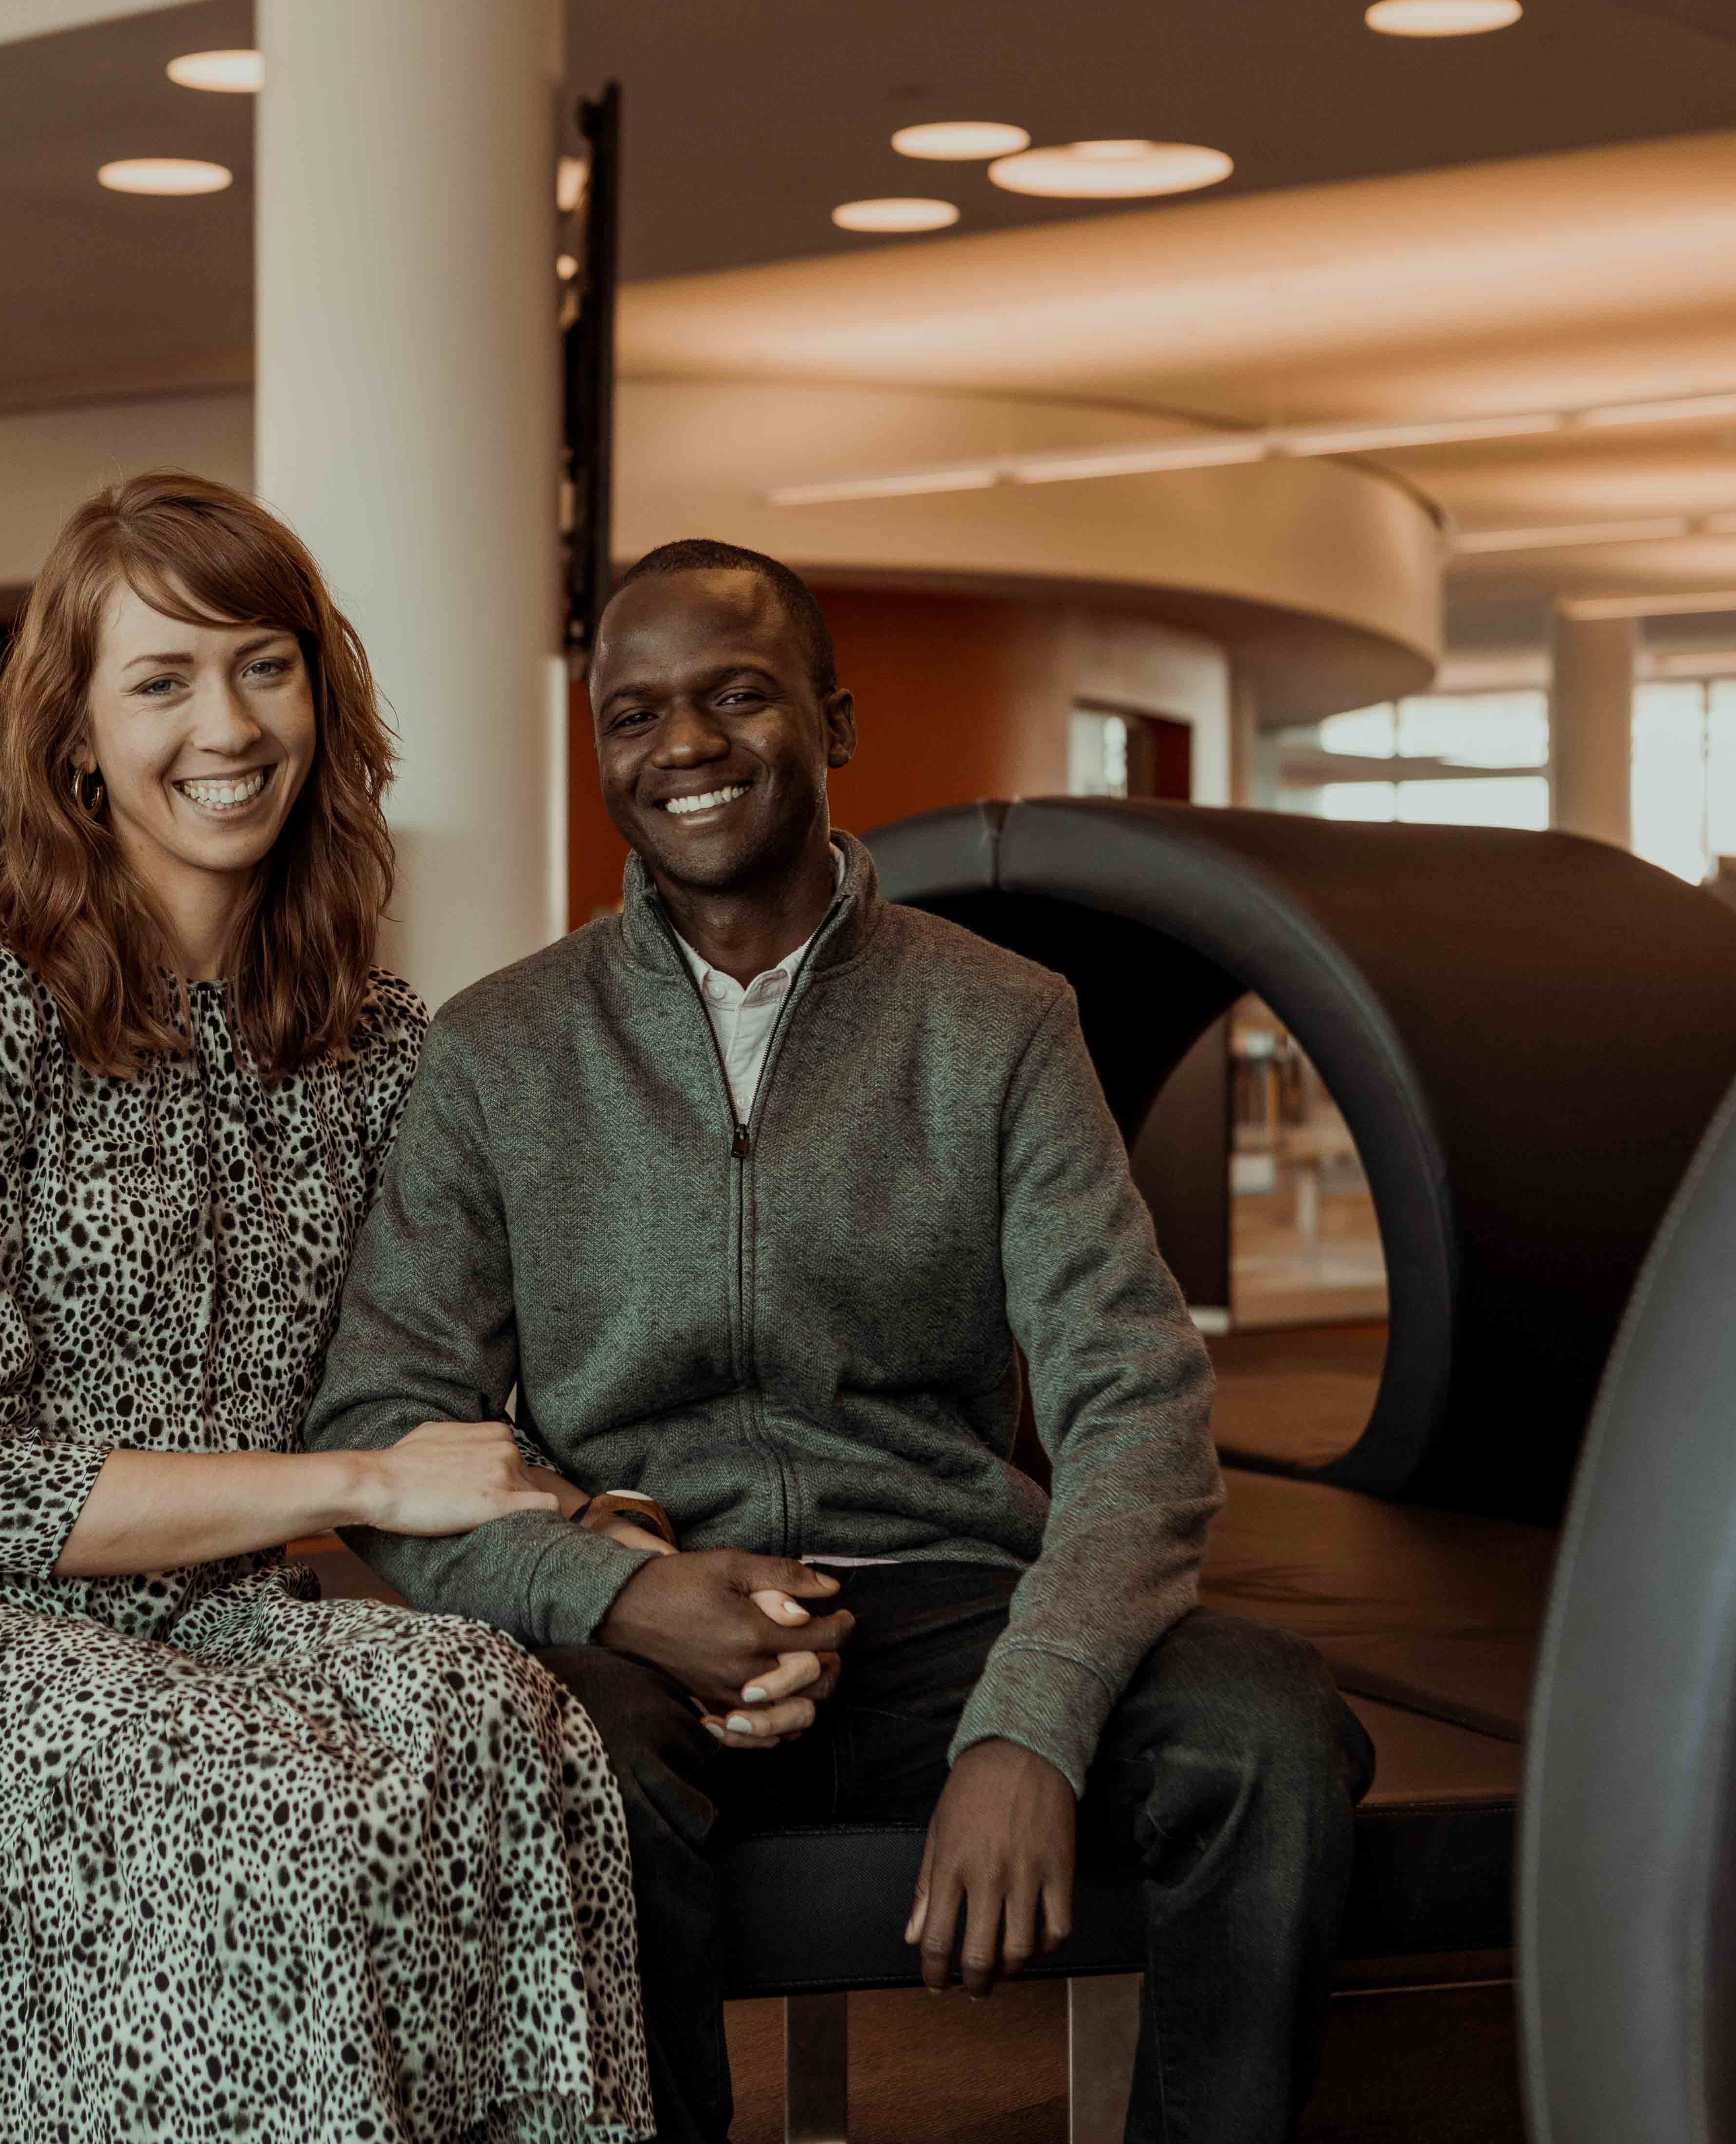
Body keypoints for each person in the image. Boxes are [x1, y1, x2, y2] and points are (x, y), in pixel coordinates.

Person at [306, 539, 1374, 2144]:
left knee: (1268, 1728)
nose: (684, 746)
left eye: (738, 694)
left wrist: (1027, 1722)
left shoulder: (1001, 1021)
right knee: (556, 1755)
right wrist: (617, 1591)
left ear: (835, 720)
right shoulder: (496, 1051)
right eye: (634, 713)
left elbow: (1134, 1402)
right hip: (642, 1617)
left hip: (939, 1606)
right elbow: (390, 1419)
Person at [0, 472, 651, 2144]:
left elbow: (450, 1392)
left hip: (217, 1627)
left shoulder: (375, 1042)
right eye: (159, 680)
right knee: (264, 1800)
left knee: (497, 1721)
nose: (224, 724)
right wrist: (362, 1487)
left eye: (262, 665)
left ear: (318, 699)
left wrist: (625, 1543)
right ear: (76, 740)